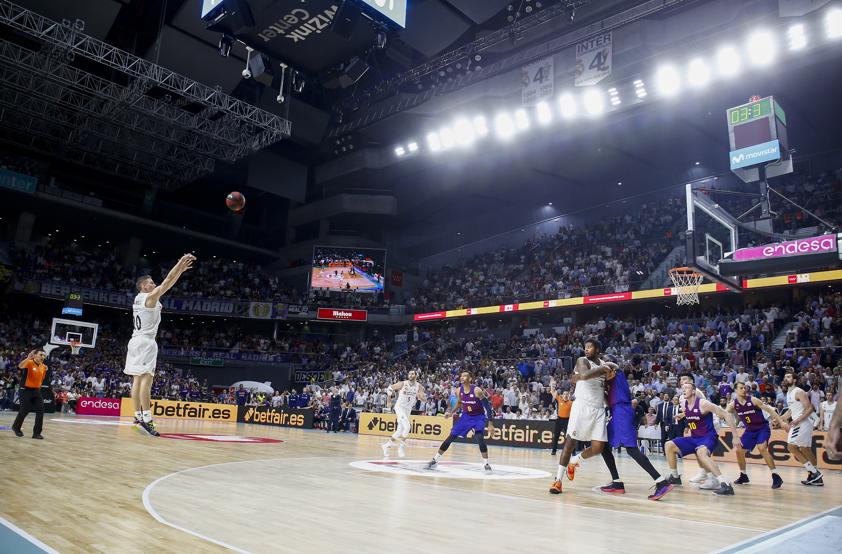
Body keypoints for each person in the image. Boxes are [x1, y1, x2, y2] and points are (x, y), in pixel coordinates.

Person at [125, 254, 195, 436]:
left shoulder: (138, 299)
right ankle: (147, 420)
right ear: (143, 286)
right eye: (150, 282)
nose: (154, 284)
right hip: (146, 342)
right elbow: (166, 282)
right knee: (146, 381)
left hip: (134, 341)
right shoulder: (149, 297)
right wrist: (179, 263)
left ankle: (137, 417)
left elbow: (168, 285)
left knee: (137, 380)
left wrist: (180, 271)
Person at [598, 359, 674, 501]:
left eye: (605, 368)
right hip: (617, 413)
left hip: (622, 414)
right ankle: (617, 482)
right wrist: (602, 392)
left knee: (631, 449)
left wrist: (600, 366)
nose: (603, 371)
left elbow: (613, 365)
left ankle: (661, 482)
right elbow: (609, 402)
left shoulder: (618, 374)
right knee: (603, 445)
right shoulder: (610, 384)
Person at [549, 339, 613, 495]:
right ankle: (558, 481)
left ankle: (574, 461)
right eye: (585, 347)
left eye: (590, 347)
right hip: (582, 406)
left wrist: (612, 403)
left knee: (598, 447)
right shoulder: (582, 360)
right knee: (570, 443)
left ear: (597, 349)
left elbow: (603, 388)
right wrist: (603, 369)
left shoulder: (604, 365)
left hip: (598, 408)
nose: (586, 349)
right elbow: (583, 375)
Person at [665, 381, 737, 496]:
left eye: (687, 388)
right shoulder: (683, 404)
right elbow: (690, 412)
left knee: (701, 453)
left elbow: (726, 414)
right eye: (683, 388)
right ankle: (675, 477)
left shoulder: (703, 403)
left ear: (694, 391)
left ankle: (725, 485)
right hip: (694, 438)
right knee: (669, 445)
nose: (684, 390)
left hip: (708, 437)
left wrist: (735, 436)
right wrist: (682, 415)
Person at [426, 371, 491, 473]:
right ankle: (435, 460)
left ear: (470, 379)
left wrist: (491, 423)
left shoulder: (477, 391)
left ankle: (486, 464)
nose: (462, 377)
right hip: (466, 416)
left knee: (479, 438)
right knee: (451, 437)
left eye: (465, 376)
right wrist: (451, 413)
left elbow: (487, 406)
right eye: (461, 376)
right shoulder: (458, 391)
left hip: (478, 417)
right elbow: (459, 403)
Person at [727, 382, 788, 489]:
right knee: (738, 450)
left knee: (762, 448)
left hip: (762, 428)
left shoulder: (753, 400)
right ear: (735, 390)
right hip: (749, 430)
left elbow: (770, 410)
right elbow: (724, 414)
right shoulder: (733, 405)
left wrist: (781, 422)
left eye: (745, 388)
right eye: (741, 388)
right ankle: (743, 475)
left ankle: (775, 476)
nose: (744, 390)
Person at [781, 372, 822, 486]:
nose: (786, 378)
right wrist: (780, 418)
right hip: (800, 423)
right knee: (805, 449)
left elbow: (810, 408)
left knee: (791, 446)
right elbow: (791, 411)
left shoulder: (799, 391)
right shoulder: (789, 393)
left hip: (802, 423)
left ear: (794, 380)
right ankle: (815, 477)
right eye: (785, 377)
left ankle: (815, 473)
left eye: (788, 377)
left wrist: (798, 420)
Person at [382, 370, 426, 457]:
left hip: (407, 410)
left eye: (412, 374)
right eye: (409, 374)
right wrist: (389, 401)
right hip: (399, 407)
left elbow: (422, 398)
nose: (410, 375)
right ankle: (401, 447)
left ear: (416, 375)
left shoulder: (419, 386)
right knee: (408, 426)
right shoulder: (403, 383)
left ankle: (386, 445)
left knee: (399, 431)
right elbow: (389, 388)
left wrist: (422, 398)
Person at [12, 350, 48, 439]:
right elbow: (20, 366)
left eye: (44, 355)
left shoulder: (44, 367)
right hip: (25, 390)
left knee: (41, 411)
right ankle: (16, 427)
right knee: (24, 410)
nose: (42, 357)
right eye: (40, 355)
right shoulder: (29, 362)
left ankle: (36, 433)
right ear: (35, 355)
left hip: (36, 391)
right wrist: (28, 358)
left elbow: (41, 379)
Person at [549, 386, 572, 456]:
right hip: (559, 420)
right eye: (564, 394)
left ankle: (572, 451)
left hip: (567, 420)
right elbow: (552, 392)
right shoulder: (559, 399)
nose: (565, 395)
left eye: (567, 394)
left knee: (569, 437)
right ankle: (554, 451)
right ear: (562, 395)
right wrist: (553, 386)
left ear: (568, 395)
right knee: (556, 436)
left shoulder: (571, 402)